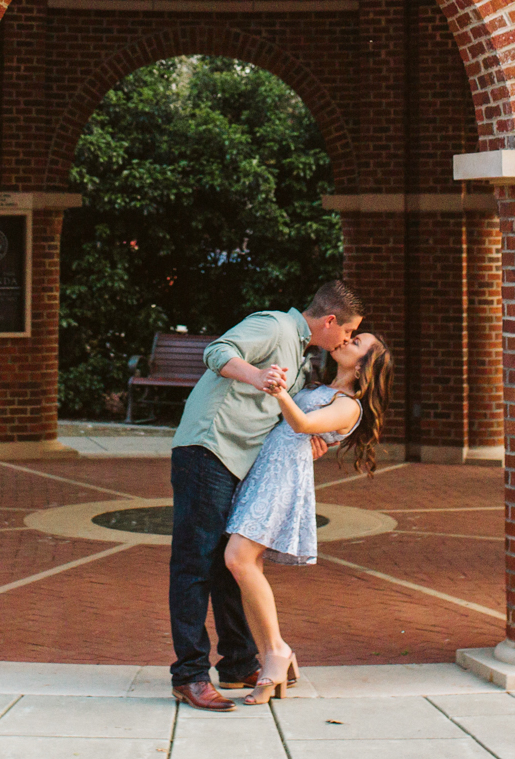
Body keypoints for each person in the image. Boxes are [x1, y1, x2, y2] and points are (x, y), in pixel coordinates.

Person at [167, 280, 364, 712]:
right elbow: (217, 352)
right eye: (347, 332)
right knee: (194, 562)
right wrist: (256, 375)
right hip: (209, 448)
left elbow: (288, 417)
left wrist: (310, 439)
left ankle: (238, 662)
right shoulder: (275, 327)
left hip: (238, 461)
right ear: (330, 321)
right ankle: (190, 675)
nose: (346, 340)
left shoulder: (299, 357)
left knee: (226, 564)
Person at [221, 331, 392, 703]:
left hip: (282, 480)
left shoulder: (348, 404)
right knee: (246, 566)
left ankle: (277, 652)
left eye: (357, 341)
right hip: (263, 471)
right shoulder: (318, 386)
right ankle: (275, 655)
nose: (347, 341)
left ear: (365, 365)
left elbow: (301, 425)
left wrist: (279, 390)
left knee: (238, 558)